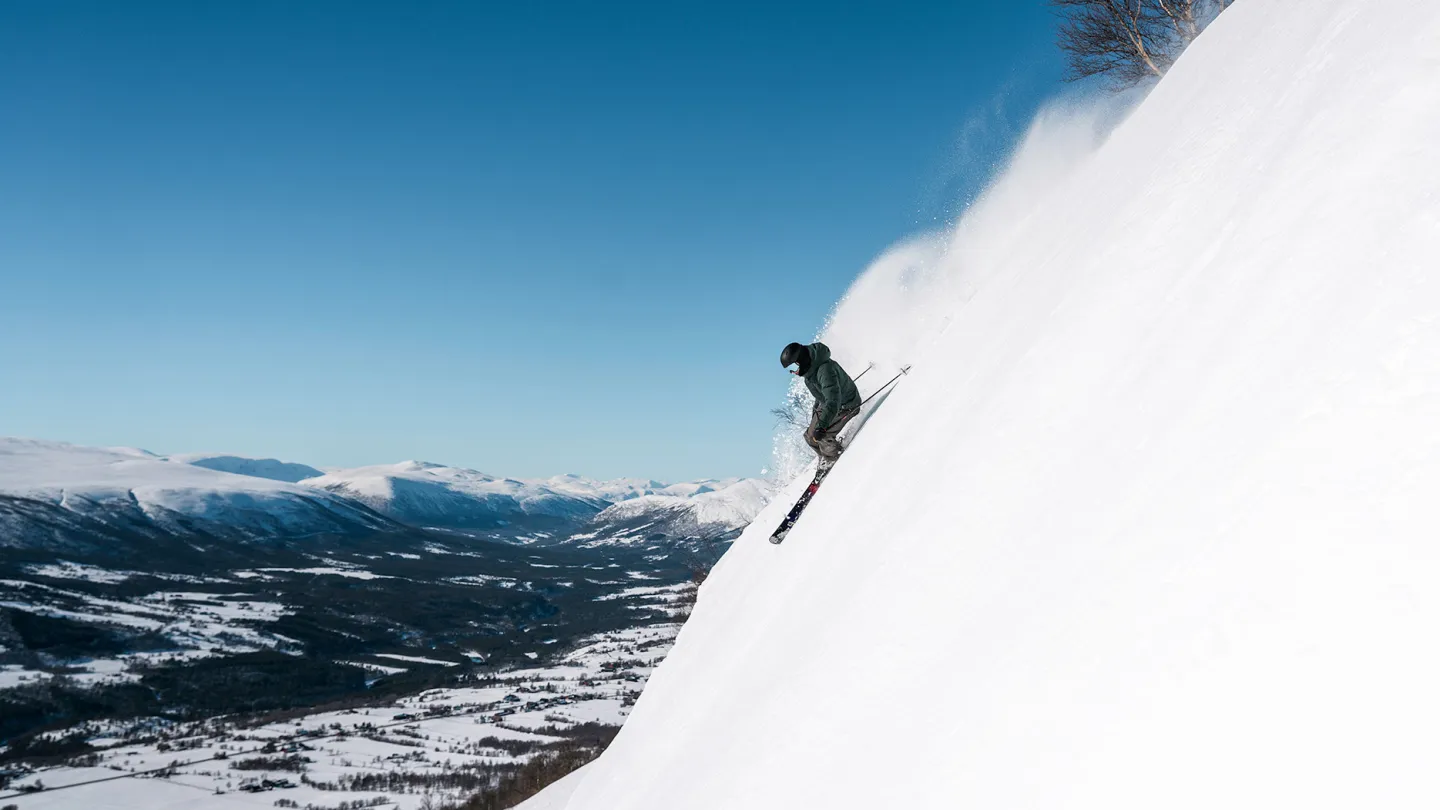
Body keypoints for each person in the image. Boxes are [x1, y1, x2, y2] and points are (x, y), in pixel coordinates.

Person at [781, 341, 862, 468]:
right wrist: (816, 414)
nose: (794, 372)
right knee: (809, 437)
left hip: (846, 405)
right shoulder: (809, 374)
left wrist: (822, 426)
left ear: (800, 361)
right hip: (830, 405)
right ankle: (826, 457)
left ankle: (833, 459)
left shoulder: (824, 370)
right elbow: (820, 396)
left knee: (821, 435)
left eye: (793, 368)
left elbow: (833, 399)